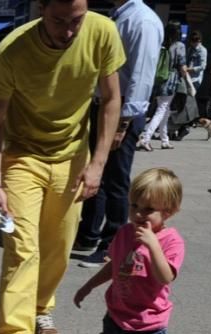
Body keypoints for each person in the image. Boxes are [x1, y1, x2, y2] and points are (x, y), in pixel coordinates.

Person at [0, 0, 125, 334]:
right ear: (40, 9)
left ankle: (41, 306)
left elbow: (111, 101)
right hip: (22, 155)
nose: (68, 31)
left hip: (72, 157)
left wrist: (98, 164)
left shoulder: (102, 31)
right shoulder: (12, 50)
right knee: (22, 247)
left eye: (76, 20)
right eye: (58, 20)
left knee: (59, 244)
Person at [54, 168, 185, 334]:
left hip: (148, 327)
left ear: (168, 212)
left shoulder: (171, 241)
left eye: (148, 209)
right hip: (116, 318)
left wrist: (152, 246)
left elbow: (165, 277)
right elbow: (114, 265)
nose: (138, 214)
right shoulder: (125, 232)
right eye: (134, 205)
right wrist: (89, 286)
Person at [74, 0, 163, 267]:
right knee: (95, 172)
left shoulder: (142, 21)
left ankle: (113, 243)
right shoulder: (119, 16)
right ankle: (89, 233)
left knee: (115, 180)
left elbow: (142, 75)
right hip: (104, 105)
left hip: (122, 108)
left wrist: (123, 122)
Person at [137, 21, 185, 151]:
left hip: (159, 78)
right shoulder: (179, 45)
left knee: (164, 109)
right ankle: (146, 138)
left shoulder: (161, 43)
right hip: (171, 80)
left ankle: (165, 140)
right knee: (162, 109)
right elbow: (182, 65)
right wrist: (189, 83)